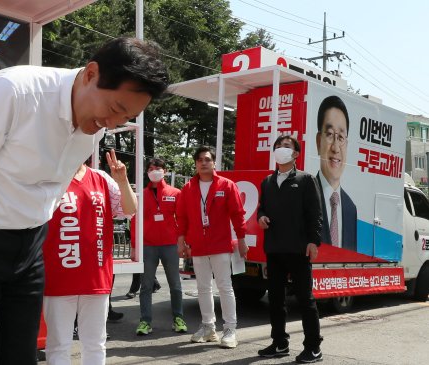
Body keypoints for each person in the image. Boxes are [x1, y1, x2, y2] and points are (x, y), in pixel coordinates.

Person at [0, 37, 169, 365]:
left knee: (21, 355)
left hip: (30, 248)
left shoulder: (93, 124)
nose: (111, 124)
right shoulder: (13, 92)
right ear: (91, 74)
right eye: (114, 109)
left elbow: (54, 185)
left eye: (124, 119)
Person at [43, 151, 136, 365]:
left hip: (95, 276)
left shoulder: (101, 178)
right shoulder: (48, 177)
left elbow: (130, 210)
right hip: (58, 276)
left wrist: (122, 181)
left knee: (95, 343)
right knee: (58, 345)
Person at [257, 135, 324, 363]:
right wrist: (261, 217)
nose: (280, 150)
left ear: (296, 154)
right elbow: (261, 209)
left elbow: (315, 214)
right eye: (278, 146)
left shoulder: (306, 180)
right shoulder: (267, 182)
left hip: (298, 249)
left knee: (305, 299)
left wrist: (314, 241)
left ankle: (313, 347)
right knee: (275, 299)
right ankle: (279, 343)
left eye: (286, 147)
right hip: (274, 248)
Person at [176, 146, 248, 349]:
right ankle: (208, 327)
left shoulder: (226, 185)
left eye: (207, 159)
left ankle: (230, 330)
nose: (203, 162)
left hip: (221, 245)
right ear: (196, 163)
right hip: (197, 246)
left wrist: (241, 240)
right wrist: (181, 240)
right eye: (199, 159)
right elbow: (181, 217)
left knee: (224, 287)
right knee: (203, 288)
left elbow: (237, 214)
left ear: (214, 162)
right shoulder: (188, 188)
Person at [135, 158, 187, 335]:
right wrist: (135, 245)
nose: (154, 171)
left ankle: (178, 318)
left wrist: (182, 241)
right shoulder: (141, 195)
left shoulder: (175, 193)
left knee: (175, 285)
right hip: (148, 246)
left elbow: (181, 219)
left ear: (165, 171)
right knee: (146, 286)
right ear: (147, 172)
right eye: (151, 168)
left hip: (170, 245)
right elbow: (135, 221)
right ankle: (145, 321)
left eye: (158, 168)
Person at [315, 95, 357, 251]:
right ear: (319, 141)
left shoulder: (351, 208)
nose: (335, 147)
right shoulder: (306, 194)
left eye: (340, 137)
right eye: (330, 134)